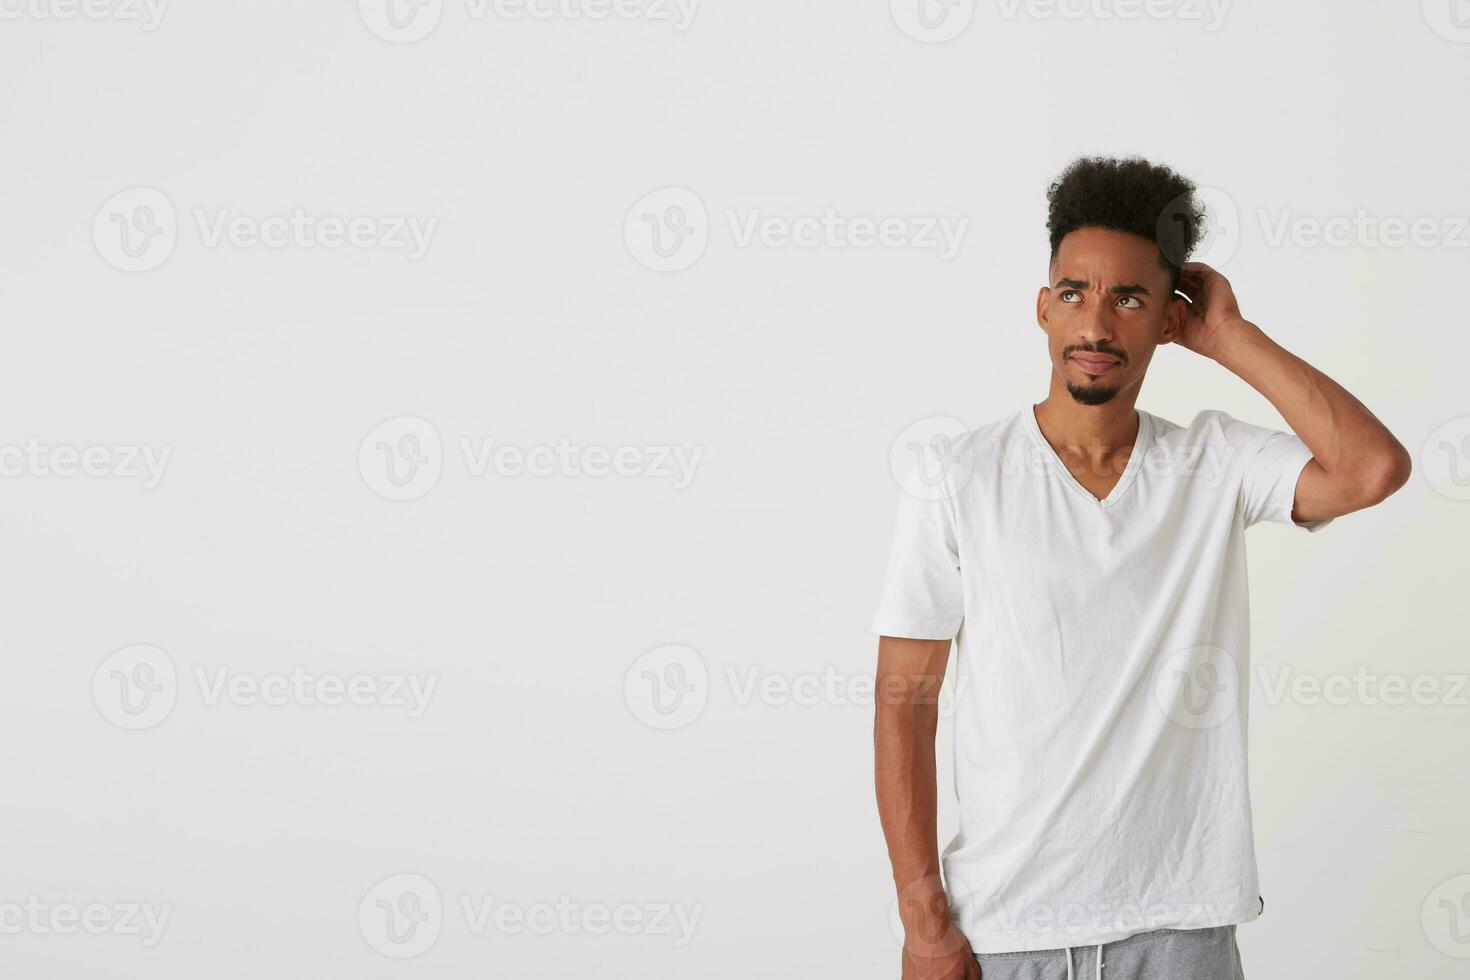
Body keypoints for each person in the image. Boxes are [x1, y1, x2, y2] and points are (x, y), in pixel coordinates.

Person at [871, 156, 1411, 980]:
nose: (1096, 325)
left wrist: (1231, 336)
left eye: (1129, 298)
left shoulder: (1213, 461)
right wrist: (924, 924)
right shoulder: (957, 475)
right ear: (1043, 307)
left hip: (1181, 928)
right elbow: (904, 702)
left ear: (1169, 319)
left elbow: (1370, 469)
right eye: (1076, 293)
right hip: (1007, 930)